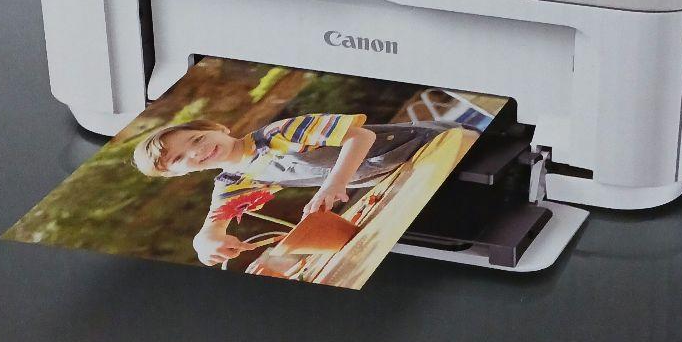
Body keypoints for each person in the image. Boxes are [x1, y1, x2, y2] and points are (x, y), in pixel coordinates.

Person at [132, 113, 455, 265]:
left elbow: (361, 137)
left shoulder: (279, 133)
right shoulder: (234, 181)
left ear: (218, 127)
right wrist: (206, 244)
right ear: (178, 174)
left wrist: (333, 184)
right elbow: (212, 227)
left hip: (437, 145)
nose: (196, 151)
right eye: (179, 159)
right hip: (406, 175)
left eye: (197, 139)